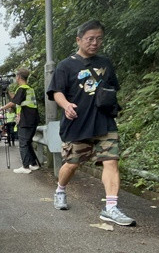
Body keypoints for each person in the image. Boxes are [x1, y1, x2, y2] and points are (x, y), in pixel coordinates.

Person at [46, 19, 135, 226]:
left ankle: (111, 207)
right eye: (90, 39)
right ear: (79, 40)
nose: (95, 43)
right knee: (72, 164)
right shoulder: (65, 65)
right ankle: (60, 190)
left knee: (111, 160)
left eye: (99, 39)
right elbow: (56, 92)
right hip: (77, 123)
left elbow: (113, 87)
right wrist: (66, 105)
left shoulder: (105, 63)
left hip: (104, 121)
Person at [0, 68, 40, 174]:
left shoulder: (22, 89)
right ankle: (33, 164)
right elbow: (16, 99)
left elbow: (13, 103)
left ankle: (25, 167)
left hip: (26, 119)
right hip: (32, 119)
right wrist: (8, 91)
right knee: (27, 142)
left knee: (23, 143)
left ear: (18, 77)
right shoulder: (28, 88)